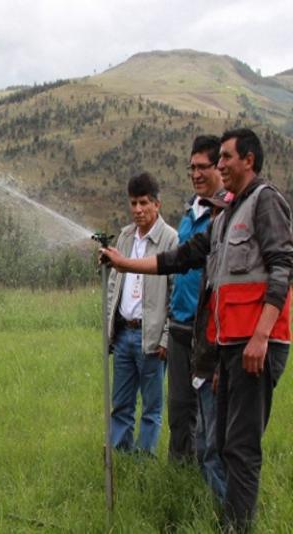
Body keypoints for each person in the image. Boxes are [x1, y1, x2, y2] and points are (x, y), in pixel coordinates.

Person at [100, 128, 292, 532]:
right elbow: (182, 257)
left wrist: (261, 336)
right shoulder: (224, 217)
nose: (219, 165)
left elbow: (283, 267)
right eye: (216, 159)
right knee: (220, 443)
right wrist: (126, 264)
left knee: (240, 447)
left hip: (256, 346)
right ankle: (231, 521)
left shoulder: (265, 201)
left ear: (249, 161)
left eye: (225, 158)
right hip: (226, 346)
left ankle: (238, 527)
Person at [166, 135, 226, 499]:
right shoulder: (189, 215)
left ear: (220, 167)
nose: (196, 174)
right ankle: (178, 480)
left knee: (208, 420)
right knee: (178, 410)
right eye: (192, 167)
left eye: (203, 167)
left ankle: (213, 490)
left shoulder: (224, 216)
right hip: (178, 328)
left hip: (209, 333)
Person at [106, 172, 177, 455]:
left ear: (157, 204)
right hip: (124, 334)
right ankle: (120, 454)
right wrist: (110, 326)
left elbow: (174, 292)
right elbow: (114, 283)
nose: (137, 210)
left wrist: (166, 337)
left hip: (151, 338)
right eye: (133, 203)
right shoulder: (124, 237)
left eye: (144, 203)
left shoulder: (170, 239)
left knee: (151, 407)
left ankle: (144, 460)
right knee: (121, 403)